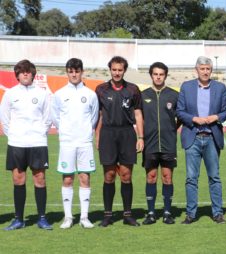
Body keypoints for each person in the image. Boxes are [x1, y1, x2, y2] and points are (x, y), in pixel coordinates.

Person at [0, 59, 52, 230]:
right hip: (17, 143)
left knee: (40, 179)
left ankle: (42, 218)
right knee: (18, 179)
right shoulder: (10, 94)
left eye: (28, 71)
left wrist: (38, 134)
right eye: (21, 71)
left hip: (37, 143)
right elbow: (5, 118)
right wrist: (13, 134)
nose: (25, 74)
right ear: (17, 75)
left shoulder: (42, 93)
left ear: (33, 74)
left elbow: (47, 118)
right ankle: (18, 219)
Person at [176, 56, 226, 224]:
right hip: (193, 137)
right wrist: (193, 119)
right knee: (191, 178)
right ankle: (191, 214)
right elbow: (180, 111)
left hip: (212, 138)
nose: (205, 72)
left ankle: (217, 213)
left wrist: (216, 117)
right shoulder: (186, 87)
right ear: (196, 70)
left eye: (208, 69)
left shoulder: (220, 88)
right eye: (202, 69)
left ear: (211, 70)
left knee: (214, 177)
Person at [95, 56, 144, 227]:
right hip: (108, 134)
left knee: (126, 175)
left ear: (124, 70)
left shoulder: (133, 89)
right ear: (110, 70)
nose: (117, 73)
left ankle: (127, 215)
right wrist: (98, 136)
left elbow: (138, 114)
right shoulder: (101, 89)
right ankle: (107, 215)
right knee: (109, 175)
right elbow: (99, 115)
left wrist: (140, 137)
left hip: (126, 134)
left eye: (120, 70)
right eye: (114, 70)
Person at [51, 58, 99, 229]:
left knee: (85, 178)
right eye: (71, 71)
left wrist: (85, 132)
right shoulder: (59, 94)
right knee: (68, 178)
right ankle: (68, 217)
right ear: (67, 73)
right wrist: (65, 131)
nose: (74, 74)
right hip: (67, 142)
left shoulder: (90, 94)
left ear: (82, 72)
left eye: (77, 71)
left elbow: (94, 118)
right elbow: (55, 118)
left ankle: (84, 217)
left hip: (85, 142)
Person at [141, 62, 179, 225]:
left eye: (161, 74)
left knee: (167, 177)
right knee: (151, 177)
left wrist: (171, 130)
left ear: (165, 75)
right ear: (151, 75)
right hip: (150, 143)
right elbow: (138, 118)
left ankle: (167, 212)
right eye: (155, 74)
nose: (158, 77)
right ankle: (150, 213)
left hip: (168, 143)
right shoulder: (143, 95)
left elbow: (181, 117)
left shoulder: (173, 95)